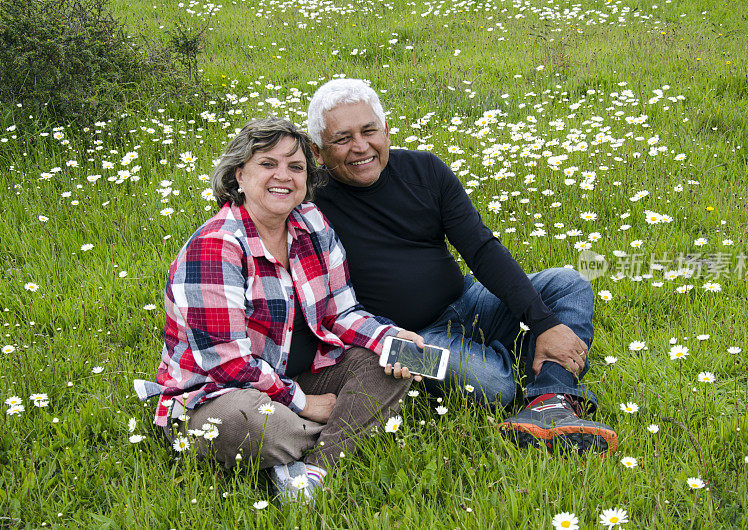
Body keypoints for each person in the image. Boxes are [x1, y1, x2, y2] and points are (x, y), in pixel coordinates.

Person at [307, 79, 618, 455]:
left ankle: (549, 398)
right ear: (318, 151)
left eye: (369, 130)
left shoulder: (424, 170)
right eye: (342, 138)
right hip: (400, 339)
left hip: (467, 299)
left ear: (386, 131)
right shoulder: (306, 200)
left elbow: (482, 249)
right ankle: (540, 368)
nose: (360, 147)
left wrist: (545, 323)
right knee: (494, 387)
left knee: (568, 284)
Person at [134, 117, 424, 502]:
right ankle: (340, 429)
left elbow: (341, 312)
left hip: (299, 375)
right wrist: (305, 404)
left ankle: (316, 468)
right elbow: (228, 366)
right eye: (268, 164)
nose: (283, 176)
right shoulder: (216, 246)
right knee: (250, 423)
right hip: (220, 394)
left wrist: (389, 337)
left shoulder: (312, 224)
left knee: (390, 365)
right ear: (239, 175)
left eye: (296, 166)